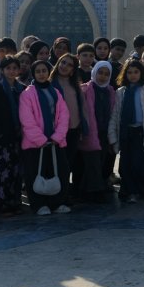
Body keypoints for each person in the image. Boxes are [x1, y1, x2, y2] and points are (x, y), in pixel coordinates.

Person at [108, 59, 144, 203]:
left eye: (136, 72)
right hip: (125, 131)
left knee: (137, 163)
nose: (133, 75)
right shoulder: (121, 92)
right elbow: (115, 114)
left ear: (141, 73)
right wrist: (112, 134)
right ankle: (130, 191)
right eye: (129, 72)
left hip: (140, 131)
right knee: (124, 165)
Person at [20, 60, 70, 216]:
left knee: (59, 172)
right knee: (35, 174)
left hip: (56, 142)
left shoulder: (55, 91)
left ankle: (57, 202)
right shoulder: (27, 94)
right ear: (33, 74)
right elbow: (26, 120)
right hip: (35, 144)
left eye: (44, 70)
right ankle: (38, 204)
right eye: (38, 71)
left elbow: (63, 115)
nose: (41, 74)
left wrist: (57, 136)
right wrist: (40, 139)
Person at [0, 56, 25, 215]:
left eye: (14, 68)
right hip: (2, 138)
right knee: (3, 171)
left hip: (20, 136)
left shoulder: (22, 88)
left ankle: (16, 202)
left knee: (17, 171)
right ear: (2, 70)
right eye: (8, 68)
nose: (11, 71)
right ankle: (3, 203)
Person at [78, 60, 117, 203]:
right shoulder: (85, 89)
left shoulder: (110, 91)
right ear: (94, 72)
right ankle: (96, 191)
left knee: (98, 163)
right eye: (100, 73)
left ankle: (84, 191)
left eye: (106, 74)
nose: (103, 76)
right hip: (90, 132)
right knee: (92, 162)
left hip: (104, 133)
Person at [51, 53, 86, 206]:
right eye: (62, 62)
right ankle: (57, 197)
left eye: (69, 64)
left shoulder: (75, 86)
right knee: (58, 165)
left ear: (73, 70)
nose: (64, 66)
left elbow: (82, 109)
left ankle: (64, 195)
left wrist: (83, 128)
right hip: (57, 132)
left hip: (73, 130)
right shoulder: (50, 84)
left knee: (68, 165)